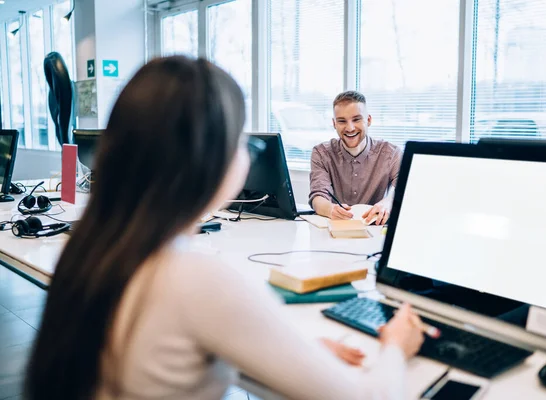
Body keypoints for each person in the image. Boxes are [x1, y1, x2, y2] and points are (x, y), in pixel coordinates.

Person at [25, 57, 427, 400]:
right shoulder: (194, 277)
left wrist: (292, 348)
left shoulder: (95, 248)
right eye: (242, 143)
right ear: (208, 158)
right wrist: (395, 346)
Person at [309, 91, 402, 225]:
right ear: (334, 124)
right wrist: (331, 209)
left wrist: (388, 202)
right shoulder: (321, 153)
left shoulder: (391, 153)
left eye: (356, 119)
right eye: (342, 121)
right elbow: (317, 196)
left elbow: (402, 189)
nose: (350, 128)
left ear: (368, 120)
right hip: (335, 229)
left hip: (374, 229)